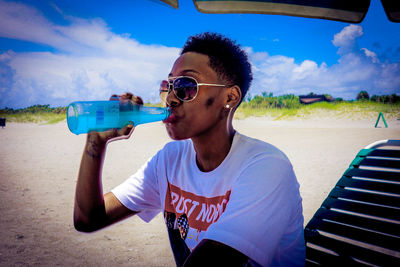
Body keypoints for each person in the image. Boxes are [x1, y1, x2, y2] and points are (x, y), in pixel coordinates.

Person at [74, 32, 305, 266]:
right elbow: (88, 219)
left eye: (186, 86)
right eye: (168, 86)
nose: (171, 99)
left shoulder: (266, 166)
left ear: (230, 97)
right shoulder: (169, 160)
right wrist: (96, 141)